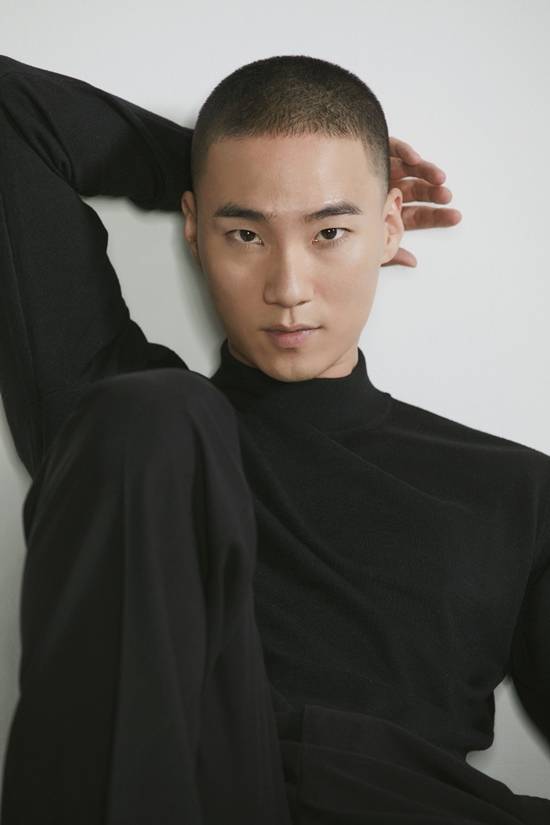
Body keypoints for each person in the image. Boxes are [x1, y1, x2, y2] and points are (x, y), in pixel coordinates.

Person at [0, 51, 548, 825]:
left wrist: (321, 182)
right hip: (193, 795)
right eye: (245, 234)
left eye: (331, 230)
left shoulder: (517, 489)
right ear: (194, 229)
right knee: (153, 411)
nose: (288, 287)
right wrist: (216, 163)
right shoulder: (131, 432)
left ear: (390, 226)